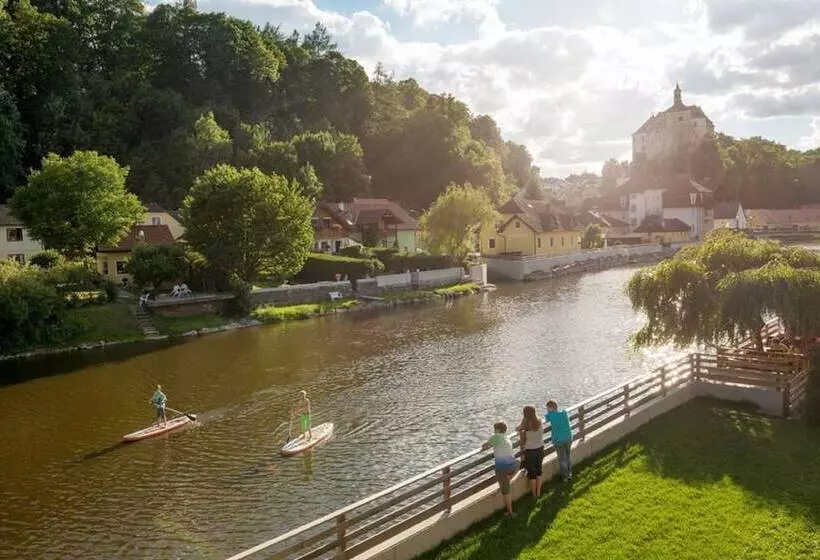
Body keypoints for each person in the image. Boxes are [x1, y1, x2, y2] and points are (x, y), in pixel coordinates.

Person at [481, 421, 518, 515]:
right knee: (518, 462)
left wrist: (488, 445)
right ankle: (507, 480)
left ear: (497, 430)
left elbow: (484, 445)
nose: (494, 431)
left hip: (502, 468)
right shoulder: (507, 438)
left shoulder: (496, 437)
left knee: (506, 491)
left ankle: (510, 512)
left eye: (494, 429)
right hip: (513, 465)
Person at [517, 405, 544, 499]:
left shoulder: (526, 425)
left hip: (530, 451)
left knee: (532, 473)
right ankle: (539, 492)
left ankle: (534, 494)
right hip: (540, 448)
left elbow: (518, 429)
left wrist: (522, 421)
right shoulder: (539, 421)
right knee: (539, 471)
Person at [545, 400, 573, 481]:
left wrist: (549, 413)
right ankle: (570, 474)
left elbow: (546, 419)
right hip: (568, 438)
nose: (547, 410)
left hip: (558, 440)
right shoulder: (564, 413)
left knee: (562, 459)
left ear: (551, 408)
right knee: (568, 456)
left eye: (548, 408)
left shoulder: (550, 415)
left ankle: (565, 477)